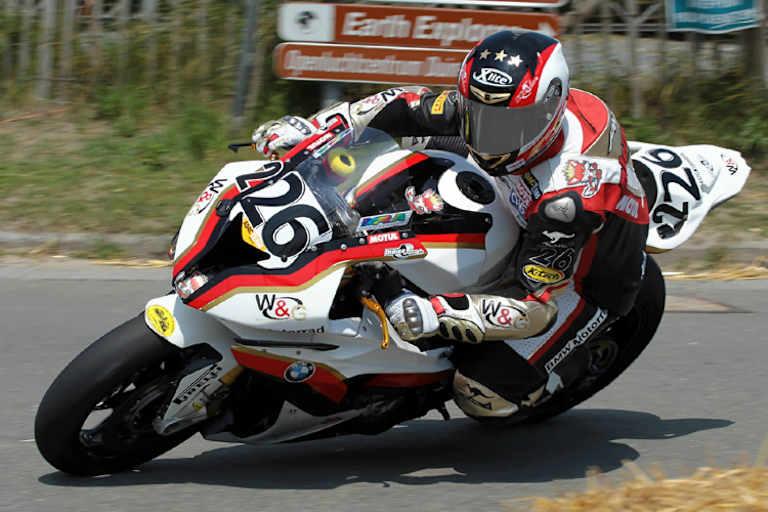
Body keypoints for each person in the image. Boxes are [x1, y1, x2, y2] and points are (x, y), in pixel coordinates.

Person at [252, 30, 650, 421]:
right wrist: (315, 131)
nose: (491, 137)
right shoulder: (496, 109)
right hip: (515, 189)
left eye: (507, 127)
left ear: (549, 112)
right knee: (403, 147)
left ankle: (549, 380)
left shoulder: (566, 203)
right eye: (479, 116)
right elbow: (400, 106)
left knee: (480, 394)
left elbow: (534, 309)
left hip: (584, 280)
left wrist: (435, 313)